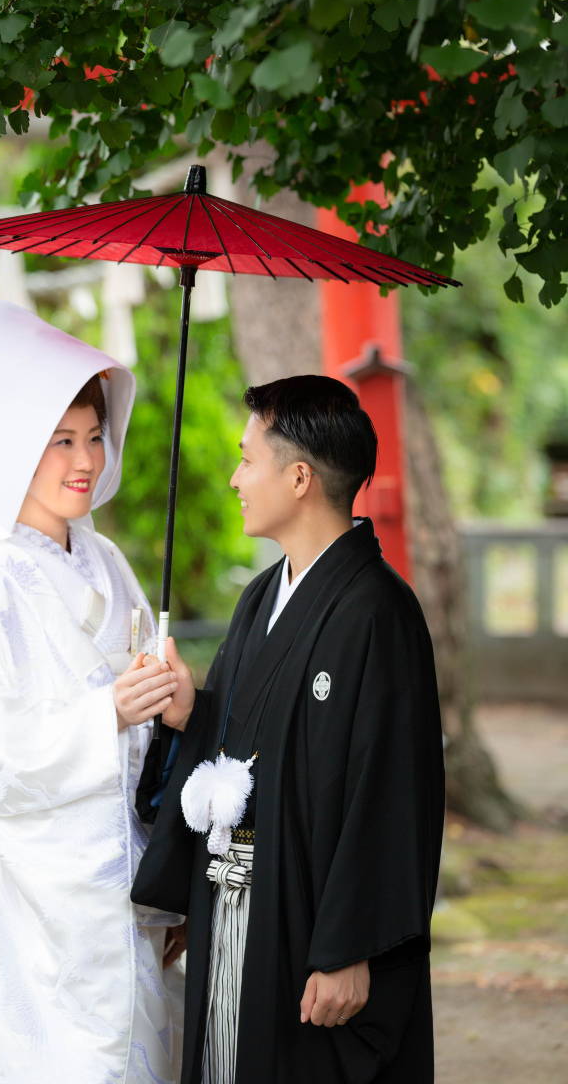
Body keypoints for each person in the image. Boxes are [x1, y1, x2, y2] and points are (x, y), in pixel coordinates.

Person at [0, 299, 185, 1084]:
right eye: (59, 441)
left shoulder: (110, 563)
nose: (83, 460)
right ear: (11, 449)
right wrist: (102, 717)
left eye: (94, 436)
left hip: (124, 879)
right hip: (33, 894)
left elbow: (151, 725)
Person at [132, 375, 445, 1084]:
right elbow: (251, 740)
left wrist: (350, 947)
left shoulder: (379, 613)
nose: (235, 477)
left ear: (299, 477)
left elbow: (393, 790)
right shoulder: (261, 597)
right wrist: (193, 713)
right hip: (237, 898)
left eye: (247, 458)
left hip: (312, 922)